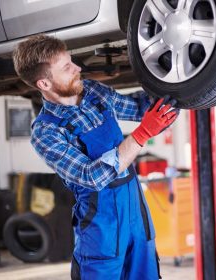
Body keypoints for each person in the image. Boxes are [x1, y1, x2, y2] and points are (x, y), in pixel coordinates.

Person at [13, 34, 178, 279]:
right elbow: (92, 176)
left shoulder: (93, 92)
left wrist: (184, 81)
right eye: (67, 67)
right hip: (101, 230)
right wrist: (143, 133)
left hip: (137, 219)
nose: (78, 68)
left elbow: (139, 108)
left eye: (72, 61)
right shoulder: (46, 132)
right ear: (44, 84)